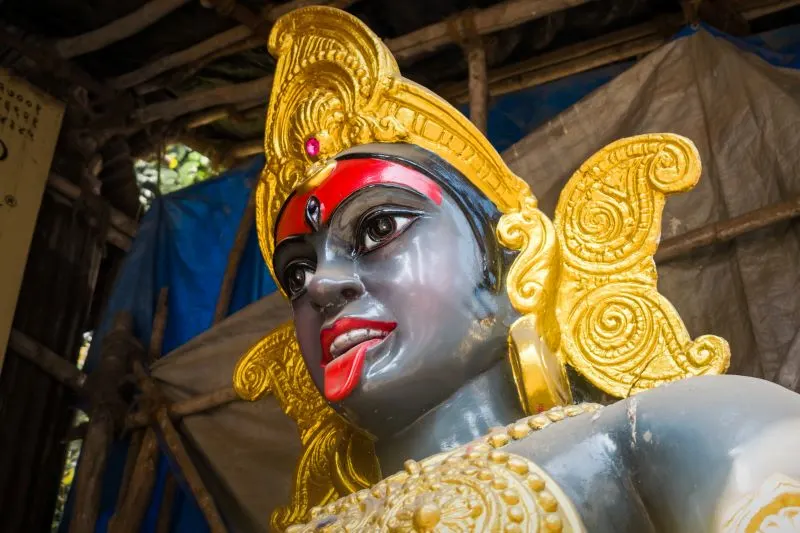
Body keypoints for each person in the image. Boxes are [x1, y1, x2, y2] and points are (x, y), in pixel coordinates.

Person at [233, 6, 800, 532]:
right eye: (297, 275)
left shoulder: (653, 439)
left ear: (511, 258)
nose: (322, 287)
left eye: (378, 229)